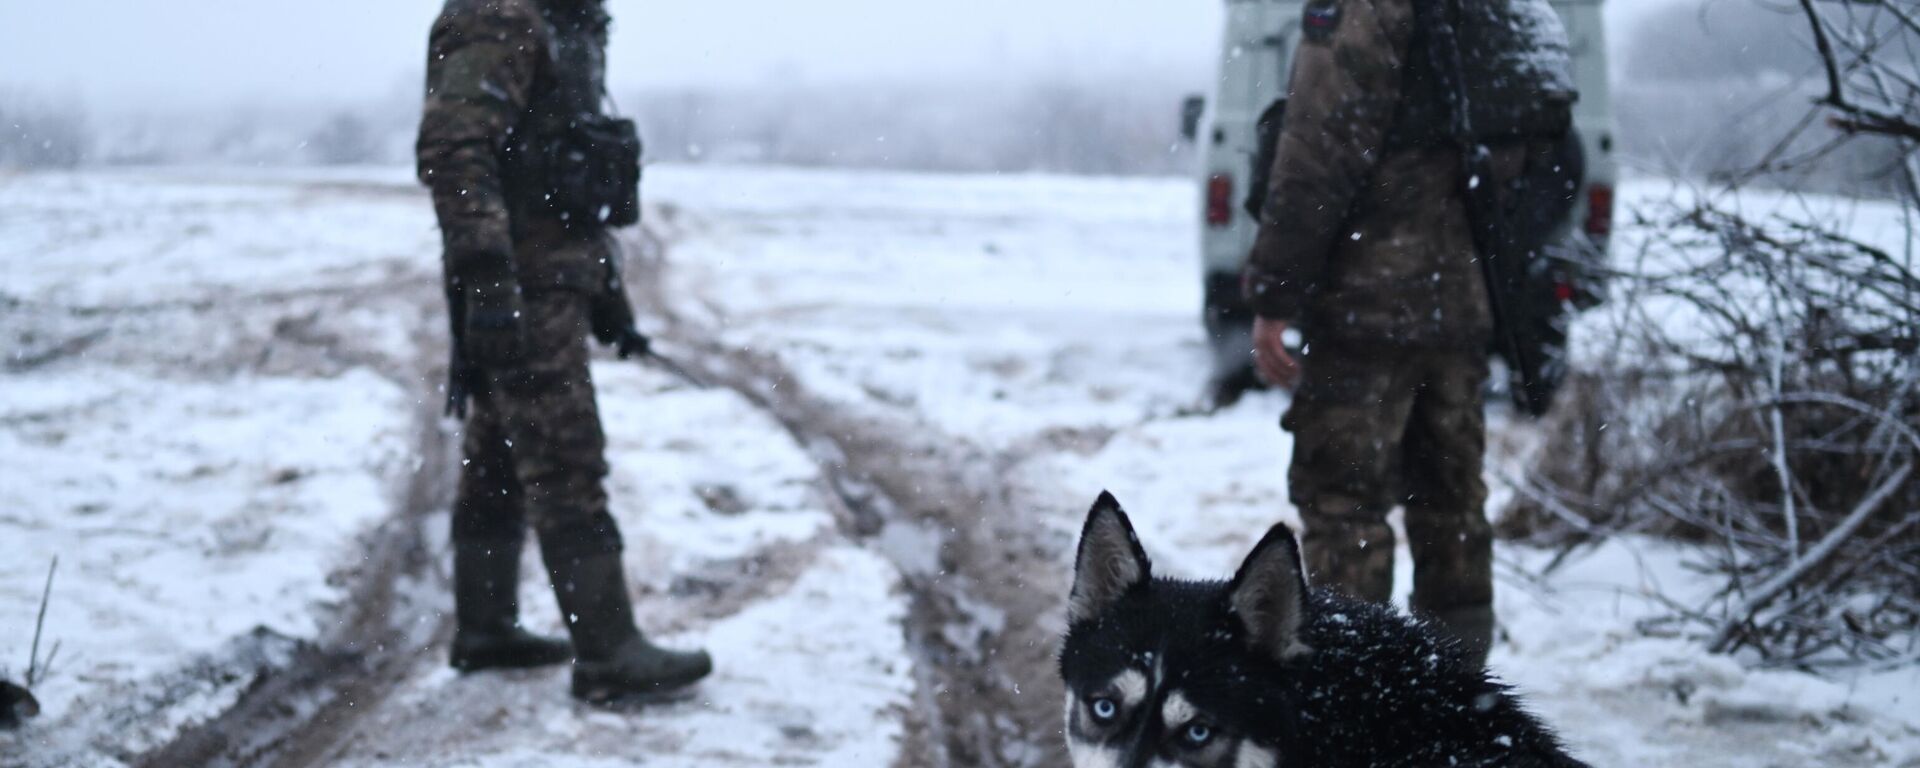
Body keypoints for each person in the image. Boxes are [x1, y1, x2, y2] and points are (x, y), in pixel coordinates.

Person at [1242, 0, 1574, 666]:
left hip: (1367, 306)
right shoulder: (1507, 10)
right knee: (1451, 505)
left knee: (1345, 508)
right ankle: (1458, 706)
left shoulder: (1366, 9)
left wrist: (1275, 294)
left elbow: (1315, 152)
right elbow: (1554, 157)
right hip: (1462, 308)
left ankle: (1354, 702)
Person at [417, 0, 712, 704]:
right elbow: (454, 146)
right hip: (522, 286)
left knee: (498, 455)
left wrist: (608, 298)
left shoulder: (563, 20)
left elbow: (567, 173)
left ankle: (486, 629)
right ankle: (609, 651)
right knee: (565, 454)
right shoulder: (501, 14)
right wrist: (489, 278)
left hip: (550, 279)